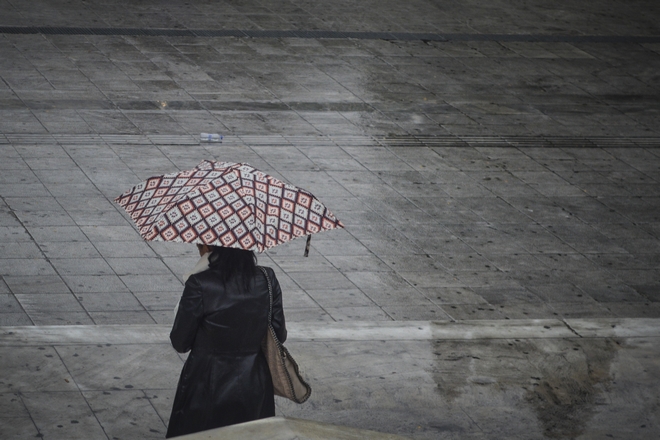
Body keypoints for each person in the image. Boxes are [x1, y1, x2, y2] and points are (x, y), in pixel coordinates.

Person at [165, 244, 286, 438]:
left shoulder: (199, 283)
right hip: (254, 383)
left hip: (205, 383)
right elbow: (279, 334)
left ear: (212, 246)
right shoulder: (267, 278)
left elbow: (180, 342)